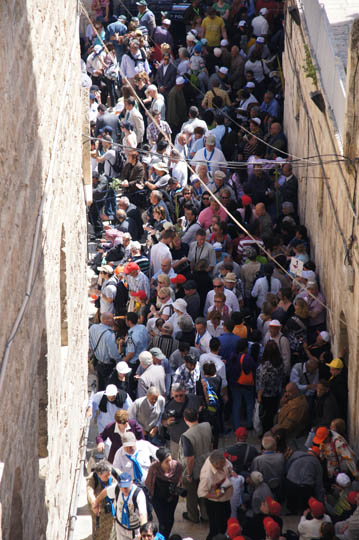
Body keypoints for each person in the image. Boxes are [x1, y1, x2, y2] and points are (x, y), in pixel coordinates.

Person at [179, 408, 213, 524]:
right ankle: (206, 515)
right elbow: (211, 444)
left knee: (192, 495)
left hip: (195, 469)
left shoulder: (186, 435)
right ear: (197, 416)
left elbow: (190, 458)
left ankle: (193, 516)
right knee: (204, 492)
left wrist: (189, 473)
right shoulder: (207, 426)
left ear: (185, 419)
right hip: (207, 465)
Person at [94, 471, 147, 540]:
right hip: (121, 527)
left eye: (127, 485)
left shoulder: (138, 494)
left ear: (132, 483)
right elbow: (106, 491)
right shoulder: (116, 489)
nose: (125, 489)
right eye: (122, 486)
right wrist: (96, 502)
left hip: (135, 529)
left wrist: (143, 530)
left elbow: (143, 514)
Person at [145, 448, 183, 539]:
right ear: (160, 462)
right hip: (157, 498)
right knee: (162, 521)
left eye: (170, 460)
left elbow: (180, 479)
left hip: (172, 497)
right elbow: (148, 483)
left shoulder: (177, 466)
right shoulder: (154, 468)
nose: (170, 463)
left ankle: (165, 536)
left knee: (170, 519)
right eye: (166, 461)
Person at [198, 450, 234, 540]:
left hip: (225, 498)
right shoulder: (207, 476)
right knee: (216, 528)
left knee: (226, 519)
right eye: (221, 466)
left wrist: (230, 470)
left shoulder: (223, 461)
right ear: (215, 464)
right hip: (214, 503)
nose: (223, 467)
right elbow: (201, 493)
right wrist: (215, 496)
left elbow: (228, 464)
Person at [162, 383, 202, 459]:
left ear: (185, 392)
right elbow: (162, 422)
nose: (179, 398)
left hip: (192, 437)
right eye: (176, 396)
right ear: (172, 395)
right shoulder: (169, 406)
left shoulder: (193, 398)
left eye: (181, 395)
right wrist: (167, 422)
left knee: (193, 459)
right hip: (176, 440)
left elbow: (201, 402)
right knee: (176, 462)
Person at [227, 339, 257, 429]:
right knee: (249, 404)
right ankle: (249, 424)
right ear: (245, 348)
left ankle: (237, 425)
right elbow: (253, 368)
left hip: (234, 385)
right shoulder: (247, 358)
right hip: (246, 385)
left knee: (236, 404)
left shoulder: (232, 356)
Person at [285, 447, 325, 514]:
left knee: (291, 502)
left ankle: (291, 511)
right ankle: (304, 513)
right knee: (305, 505)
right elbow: (319, 484)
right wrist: (320, 502)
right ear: (317, 456)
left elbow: (287, 467)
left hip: (290, 482)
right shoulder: (317, 463)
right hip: (305, 487)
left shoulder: (296, 455)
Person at [89, 312, 123, 391]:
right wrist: (119, 360)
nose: (114, 320)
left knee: (100, 384)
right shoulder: (109, 334)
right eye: (112, 319)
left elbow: (90, 342)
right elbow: (113, 353)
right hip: (107, 365)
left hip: (97, 361)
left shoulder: (93, 327)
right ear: (106, 321)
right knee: (109, 386)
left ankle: (100, 400)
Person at [87, 460, 116, 540]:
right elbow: (89, 491)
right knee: (99, 532)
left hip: (111, 510)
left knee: (112, 532)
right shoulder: (93, 478)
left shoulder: (112, 474)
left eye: (109, 474)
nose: (108, 477)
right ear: (99, 475)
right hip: (99, 511)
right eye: (106, 476)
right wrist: (94, 503)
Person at [251, 436, 285, 500]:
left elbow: (255, 474)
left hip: (264, 485)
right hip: (279, 483)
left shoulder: (258, 460)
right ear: (275, 446)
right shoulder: (281, 457)